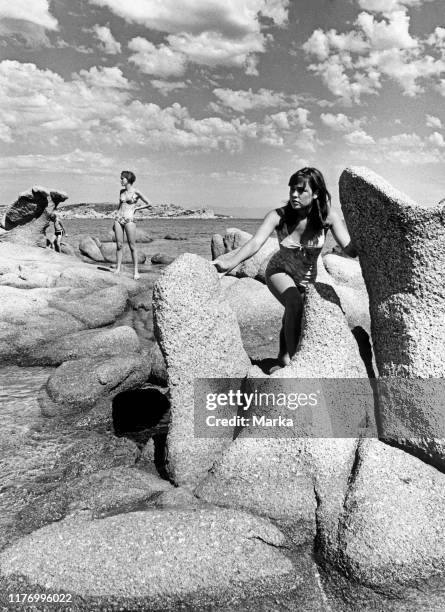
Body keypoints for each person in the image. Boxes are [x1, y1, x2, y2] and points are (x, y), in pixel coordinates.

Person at [213, 167, 357, 368]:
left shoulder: (328, 217)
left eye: (301, 190)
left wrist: (365, 233)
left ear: (315, 193)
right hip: (279, 270)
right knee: (294, 303)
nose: (294, 195)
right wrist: (229, 262)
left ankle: (282, 357)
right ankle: (295, 365)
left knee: (293, 313)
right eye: (292, 189)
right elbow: (255, 243)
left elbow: (351, 250)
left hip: (307, 278)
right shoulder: (278, 216)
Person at [114, 170, 152, 280]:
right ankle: (118, 268)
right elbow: (120, 205)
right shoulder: (121, 191)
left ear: (128, 179)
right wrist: (116, 215)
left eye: (122, 178)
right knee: (119, 245)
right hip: (118, 218)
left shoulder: (136, 192)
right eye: (121, 178)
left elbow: (149, 203)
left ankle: (136, 271)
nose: (121, 180)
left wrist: (136, 208)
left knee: (132, 246)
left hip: (129, 219)